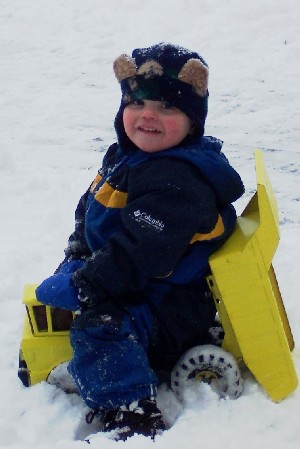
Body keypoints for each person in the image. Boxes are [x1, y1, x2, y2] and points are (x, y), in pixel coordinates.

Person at [36, 42, 244, 441]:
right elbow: (91, 211)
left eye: (167, 107)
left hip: (168, 305)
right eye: (138, 103)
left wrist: (87, 283)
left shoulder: (177, 182)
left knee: (100, 327)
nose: (148, 114)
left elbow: (139, 253)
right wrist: (79, 254)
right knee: (96, 303)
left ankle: (128, 412)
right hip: (141, 283)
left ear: (192, 122)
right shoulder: (129, 157)